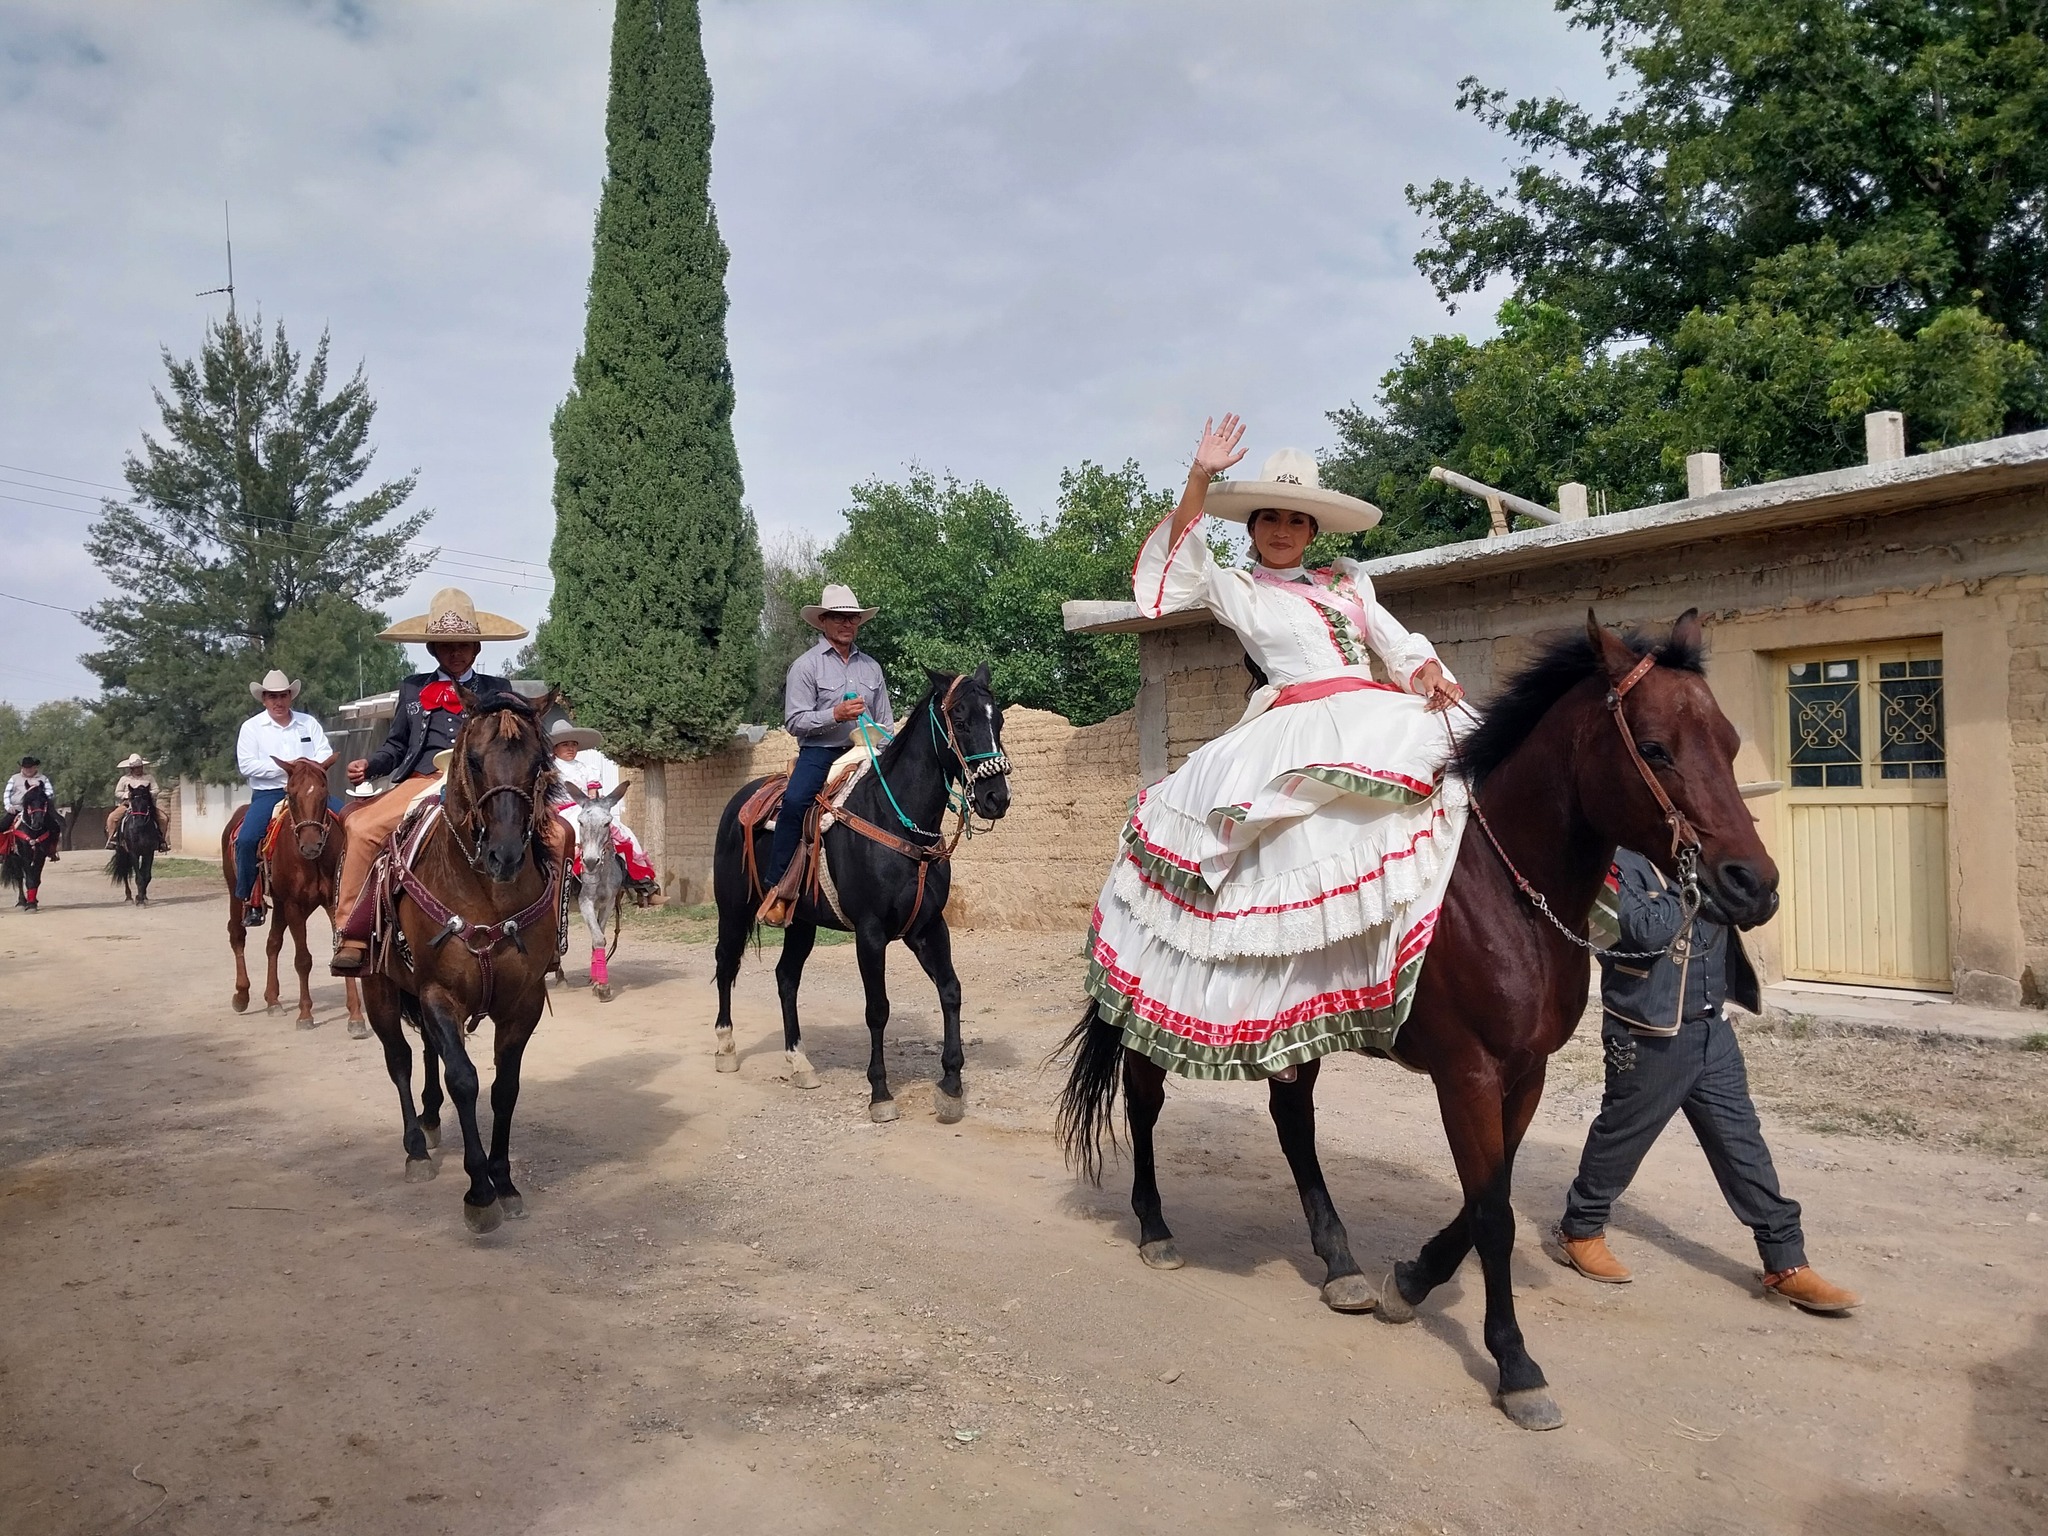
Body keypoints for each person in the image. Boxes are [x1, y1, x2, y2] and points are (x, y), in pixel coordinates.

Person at [1084, 415, 1464, 1079]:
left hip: (1375, 708)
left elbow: (1394, 642)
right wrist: (1200, 477)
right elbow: (1179, 561)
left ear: (1313, 531)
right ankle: (1270, 1011)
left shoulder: (1348, 583)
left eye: (1295, 520)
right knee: (1283, 847)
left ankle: (1412, 967)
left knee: (1462, 772)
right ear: (1253, 527)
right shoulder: (1238, 586)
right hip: (1295, 717)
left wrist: (1422, 670)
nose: (1282, 531)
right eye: (1269, 519)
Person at [1551, 842, 1862, 1315]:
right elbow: (1639, 929)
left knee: (1744, 1146)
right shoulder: (1602, 862)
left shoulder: (1698, 862)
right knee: (1621, 1140)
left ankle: (1785, 1261)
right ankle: (1580, 1229)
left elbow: (1754, 905)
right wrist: (1699, 887)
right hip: (1648, 1031)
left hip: (1711, 1028)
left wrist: (1745, 888)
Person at [331, 587, 551, 973]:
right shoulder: (413, 688)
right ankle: (353, 931)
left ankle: (548, 933)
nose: (456, 652)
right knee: (361, 827)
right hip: (423, 779)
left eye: (464, 645)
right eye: (447, 645)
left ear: (477, 648)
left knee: (560, 834)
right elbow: (397, 744)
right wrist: (372, 765)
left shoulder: (499, 689)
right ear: (432, 648)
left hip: (484, 782)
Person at [756, 583, 894, 924]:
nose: (847, 624)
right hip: (820, 751)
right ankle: (777, 890)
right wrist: (836, 715)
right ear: (823, 622)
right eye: (839, 618)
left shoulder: (872, 668)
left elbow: (886, 721)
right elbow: (794, 721)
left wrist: (884, 742)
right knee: (796, 805)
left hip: (866, 750)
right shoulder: (806, 667)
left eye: (853, 618)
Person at [235, 671, 334, 927]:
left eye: (282, 696)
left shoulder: (308, 723)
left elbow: (324, 752)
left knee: (351, 822)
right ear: (264, 699)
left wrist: (304, 771)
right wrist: (288, 769)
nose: (278, 701)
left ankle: (354, 888)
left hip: (309, 793)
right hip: (270, 793)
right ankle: (250, 898)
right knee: (246, 840)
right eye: (272, 697)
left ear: (290, 696)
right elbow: (247, 765)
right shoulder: (252, 728)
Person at [545, 718, 660, 904]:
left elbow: (592, 794)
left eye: (573, 744)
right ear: (555, 747)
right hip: (560, 813)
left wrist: (595, 808)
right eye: (565, 744)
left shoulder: (586, 768)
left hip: (587, 809)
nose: (570, 748)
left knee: (624, 831)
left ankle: (643, 886)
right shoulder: (548, 769)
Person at [104, 754, 169, 850]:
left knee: (163, 818)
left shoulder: (149, 778)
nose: (138, 769)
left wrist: (147, 794)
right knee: (112, 818)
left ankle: (161, 841)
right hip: (128, 804)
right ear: (131, 768)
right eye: (136, 768)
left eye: (140, 767)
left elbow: (156, 789)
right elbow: (117, 792)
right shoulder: (124, 779)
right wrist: (127, 795)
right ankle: (112, 839)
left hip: (146, 805)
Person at [3, 753, 62, 857]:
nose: (28, 770)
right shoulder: (14, 778)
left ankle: (51, 850)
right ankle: (3, 852)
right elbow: (7, 794)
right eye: (26, 767)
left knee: (55, 826)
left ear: (35, 767)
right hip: (17, 808)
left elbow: (50, 792)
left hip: (38, 809)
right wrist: (8, 806)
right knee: (2, 826)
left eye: (31, 767)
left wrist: (39, 797)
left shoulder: (43, 778)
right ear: (22, 768)